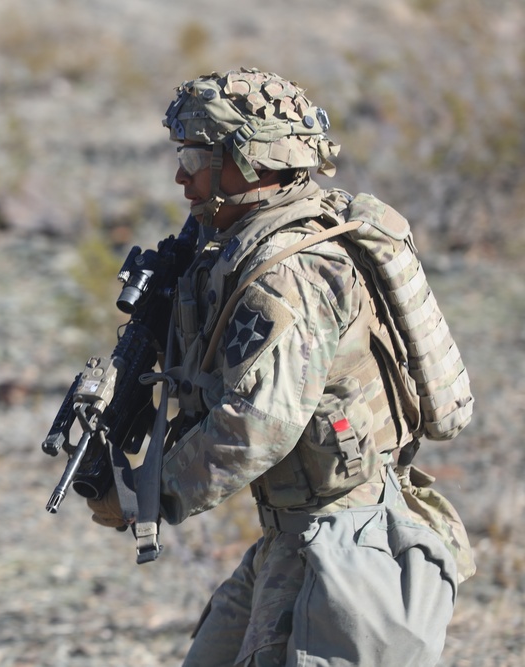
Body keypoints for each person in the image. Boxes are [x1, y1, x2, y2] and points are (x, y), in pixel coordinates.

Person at [85, 68, 474, 666]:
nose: (180, 174)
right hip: (296, 537)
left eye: (195, 154)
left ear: (253, 163)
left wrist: (143, 496)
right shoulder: (246, 243)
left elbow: (256, 426)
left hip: (346, 548)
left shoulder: (286, 275)